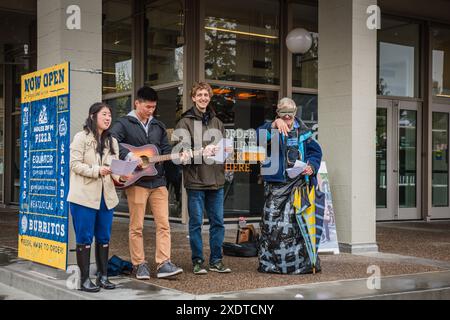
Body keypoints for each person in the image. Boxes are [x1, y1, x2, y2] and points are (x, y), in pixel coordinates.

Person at [110, 86, 183, 279]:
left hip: (158, 182)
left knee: (164, 225)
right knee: (137, 226)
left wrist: (177, 160)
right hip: (137, 183)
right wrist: (130, 155)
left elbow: (166, 151)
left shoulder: (158, 126)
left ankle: (164, 263)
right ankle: (139, 264)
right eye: (148, 107)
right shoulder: (124, 123)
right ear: (137, 103)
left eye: (153, 107)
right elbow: (111, 140)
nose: (151, 110)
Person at [257, 97, 323, 274]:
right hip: (276, 186)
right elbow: (257, 139)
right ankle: (271, 263)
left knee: (295, 225)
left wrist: (311, 166)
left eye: (290, 113)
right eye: (283, 113)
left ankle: (298, 265)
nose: (287, 117)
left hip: (298, 186)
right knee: (271, 223)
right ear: (278, 113)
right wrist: (272, 126)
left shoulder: (304, 132)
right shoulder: (271, 127)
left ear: (295, 113)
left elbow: (316, 153)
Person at [173, 82, 232, 275]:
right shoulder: (184, 122)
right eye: (199, 95)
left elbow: (224, 153)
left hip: (216, 180)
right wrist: (202, 152)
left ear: (210, 97)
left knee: (218, 223)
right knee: (196, 224)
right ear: (193, 97)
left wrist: (227, 152)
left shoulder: (217, 122)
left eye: (206, 95)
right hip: (196, 181)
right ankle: (198, 261)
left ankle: (216, 261)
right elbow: (179, 154)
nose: (203, 98)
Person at [67, 102, 122, 292]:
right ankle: (84, 280)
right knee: (84, 237)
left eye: (110, 115)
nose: (108, 118)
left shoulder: (112, 141)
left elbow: (114, 169)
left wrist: (123, 174)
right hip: (83, 197)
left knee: (104, 237)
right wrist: (98, 170)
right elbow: (74, 165)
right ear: (93, 116)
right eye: (104, 114)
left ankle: (103, 276)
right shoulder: (80, 138)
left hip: (106, 197)